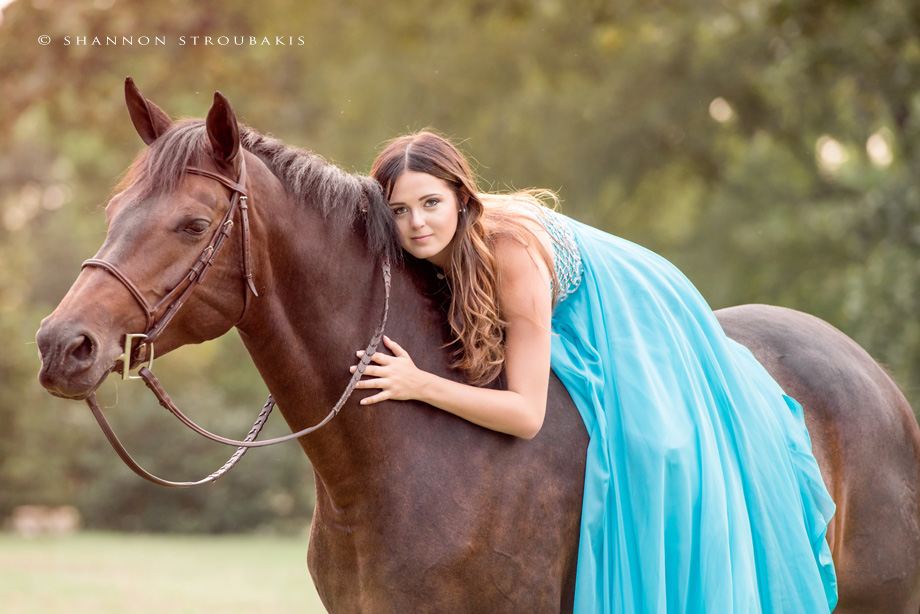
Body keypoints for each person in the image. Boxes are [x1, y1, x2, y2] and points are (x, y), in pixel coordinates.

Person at [352, 131, 838, 613]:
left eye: (431, 203)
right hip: (551, 309)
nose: (417, 223)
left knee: (656, 447)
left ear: (461, 198)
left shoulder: (508, 253)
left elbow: (527, 415)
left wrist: (419, 383)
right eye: (400, 210)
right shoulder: (407, 249)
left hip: (625, 305)